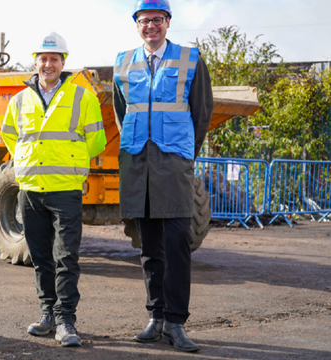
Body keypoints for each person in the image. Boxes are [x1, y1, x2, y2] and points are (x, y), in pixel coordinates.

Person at [112, 0, 213, 352]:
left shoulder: (190, 59)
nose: (150, 26)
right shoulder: (123, 62)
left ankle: (176, 322)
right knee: (149, 247)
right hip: (138, 163)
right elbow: (121, 112)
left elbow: (201, 114)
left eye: (157, 19)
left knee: (177, 245)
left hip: (173, 164)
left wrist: (184, 154)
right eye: (144, 20)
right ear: (136, 24)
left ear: (168, 22)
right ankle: (155, 317)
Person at [0, 32, 107, 347]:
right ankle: (47, 313)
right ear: (35, 61)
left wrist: (69, 164)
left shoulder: (81, 97)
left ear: (64, 63)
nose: (48, 64)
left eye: (54, 59)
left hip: (65, 190)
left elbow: (96, 141)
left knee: (66, 257)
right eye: (43, 59)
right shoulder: (19, 100)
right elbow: (11, 138)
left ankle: (66, 321)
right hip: (30, 189)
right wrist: (28, 164)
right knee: (40, 256)